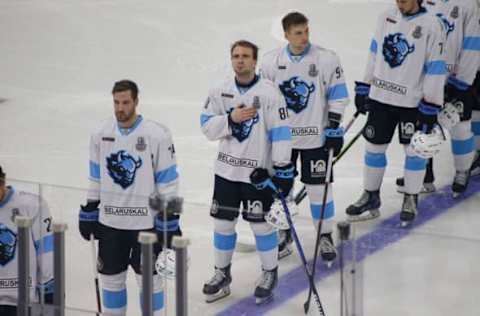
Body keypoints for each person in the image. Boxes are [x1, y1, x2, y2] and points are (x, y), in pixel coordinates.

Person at [200, 40, 293, 305]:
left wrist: (282, 169)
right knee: (223, 224)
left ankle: (269, 273)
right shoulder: (220, 91)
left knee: (261, 225)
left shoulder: (270, 93)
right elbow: (206, 126)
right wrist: (231, 119)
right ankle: (222, 274)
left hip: (258, 175)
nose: (240, 60)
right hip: (226, 172)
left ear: (255, 61)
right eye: (236, 56)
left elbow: (281, 133)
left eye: (245, 56)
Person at [79, 80, 182, 316]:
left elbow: (169, 180)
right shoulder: (100, 133)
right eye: (116, 102)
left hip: (146, 226)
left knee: (150, 282)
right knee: (111, 280)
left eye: (125, 102)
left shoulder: (157, 134)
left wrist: (171, 217)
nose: (120, 108)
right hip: (110, 224)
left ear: (136, 102)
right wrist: (91, 207)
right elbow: (95, 176)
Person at [347, 0, 447, 225]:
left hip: (411, 104)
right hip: (381, 99)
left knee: (414, 152)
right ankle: (371, 196)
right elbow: (374, 53)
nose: (399, 2)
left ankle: (410, 197)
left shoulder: (432, 25)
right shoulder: (385, 16)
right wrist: (365, 86)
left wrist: (430, 104)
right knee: (373, 148)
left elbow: (436, 67)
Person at [260, 11, 349, 264]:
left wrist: (333, 126)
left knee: (319, 190)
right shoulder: (270, 62)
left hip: (315, 140)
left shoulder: (326, 58)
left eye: (306, 30)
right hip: (282, 142)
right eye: (298, 33)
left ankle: (325, 235)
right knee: (282, 191)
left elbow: (338, 94)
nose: (304, 37)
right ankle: (284, 232)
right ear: (286, 34)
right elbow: (265, 102)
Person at [396, 0, 480, 197]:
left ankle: (462, 170)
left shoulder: (467, 5)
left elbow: (472, 45)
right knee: (423, 125)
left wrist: (462, 83)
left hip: (455, 79)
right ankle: (424, 174)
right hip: (427, 77)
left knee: (460, 127)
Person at [0, 165, 54, 316]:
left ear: (3, 182)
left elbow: (47, 250)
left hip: (24, 302)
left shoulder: (32, 204)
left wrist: (50, 291)